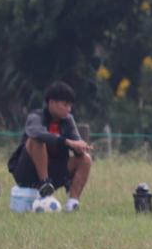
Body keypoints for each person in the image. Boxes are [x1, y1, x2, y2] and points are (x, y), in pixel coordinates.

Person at [6, 81, 92, 212]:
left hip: (55, 170)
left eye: (70, 105)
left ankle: (72, 203)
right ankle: (44, 183)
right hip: (28, 172)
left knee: (86, 159)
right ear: (51, 103)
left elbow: (76, 140)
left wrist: (80, 148)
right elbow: (37, 133)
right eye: (65, 105)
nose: (69, 109)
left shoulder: (68, 120)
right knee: (36, 140)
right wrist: (68, 142)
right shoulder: (36, 116)